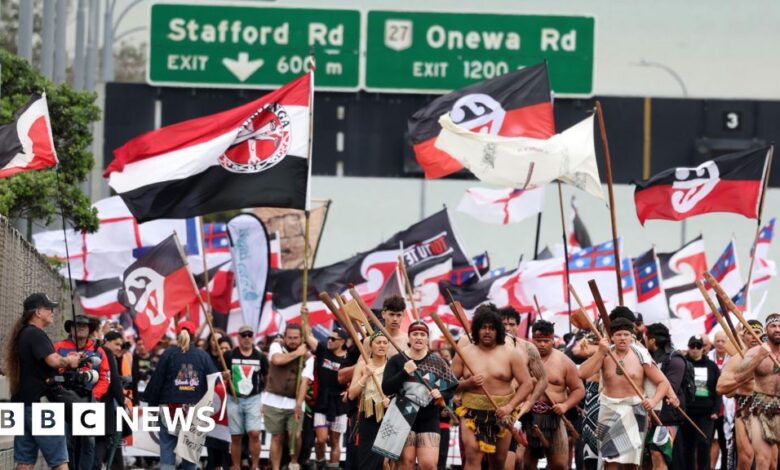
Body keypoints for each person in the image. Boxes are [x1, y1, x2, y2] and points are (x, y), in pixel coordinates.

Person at [578, 317, 669, 470]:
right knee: (609, 458)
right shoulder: (605, 354)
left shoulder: (641, 355)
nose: (622, 338)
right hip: (609, 410)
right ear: (612, 337)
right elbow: (582, 373)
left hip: (634, 410)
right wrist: (600, 352)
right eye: (619, 334)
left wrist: (653, 401)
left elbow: (663, 383)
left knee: (631, 463)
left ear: (632, 336)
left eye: (626, 334)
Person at [453, 305, 533, 470]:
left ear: (498, 331)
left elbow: (527, 384)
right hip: (471, 412)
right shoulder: (464, 352)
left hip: (502, 413)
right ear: (476, 330)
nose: (487, 331)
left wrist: (510, 406)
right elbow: (448, 384)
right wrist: (467, 384)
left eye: (491, 328)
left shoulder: (511, 354)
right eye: (483, 327)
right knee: (473, 455)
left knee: (498, 462)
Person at [6, 293, 81, 470]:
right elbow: (53, 361)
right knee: (59, 462)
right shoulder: (36, 334)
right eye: (49, 308)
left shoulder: (22, 334)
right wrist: (70, 361)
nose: (52, 311)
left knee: (24, 461)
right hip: (41, 407)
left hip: (21, 404)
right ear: (38, 312)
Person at [377, 320, 458, 469]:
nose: (419, 337)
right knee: (406, 462)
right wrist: (404, 372)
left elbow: (452, 387)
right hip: (402, 416)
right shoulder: (396, 360)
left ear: (427, 339)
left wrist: (440, 393)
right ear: (409, 338)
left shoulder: (438, 361)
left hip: (429, 416)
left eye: (422, 334)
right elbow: (386, 388)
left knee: (429, 464)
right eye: (415, 334)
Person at [143, 321, 218, 470]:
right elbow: (214, 381)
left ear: (178, 335)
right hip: (194, 411)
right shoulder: (203, 356)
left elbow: (157, 381)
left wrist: (151, 404)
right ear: (194, 335)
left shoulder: (168, 354)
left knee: (167, 451)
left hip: (170, 409)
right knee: (189, 454)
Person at [524, 320, 585, 470]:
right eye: (538, 341)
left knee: (559, 464)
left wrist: (565, 405)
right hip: (527, 416)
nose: (542, 344)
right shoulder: (522, 358)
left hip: (554, 417)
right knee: (525, 463)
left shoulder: (564, 361)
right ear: (532, 339)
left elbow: (579, 389)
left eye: (546, 341)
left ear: (553, 340)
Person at [55, 314, 110, 470]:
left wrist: (95, 396)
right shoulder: (59, 347)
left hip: (89, 399)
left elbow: (105, 377)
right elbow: (51, 371)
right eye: (76, 325)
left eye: (84, 326)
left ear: (89, 330)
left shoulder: (98, 350)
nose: (80, 328)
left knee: (89, 442)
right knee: (67, 441)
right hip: (65, 399)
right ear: (70, 329)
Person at [499, 306, 548, 470]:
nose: (507, 327)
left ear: (518, 326)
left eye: (511, 324)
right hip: (492, 406)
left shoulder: (528, 348)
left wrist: (528, 403)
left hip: (518, 411)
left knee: (516, 459)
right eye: (503, 323)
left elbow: (542, 379)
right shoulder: (488, 347)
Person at [735, 313, 780, 470]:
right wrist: (759, 357)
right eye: (773, 326)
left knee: (774, 463)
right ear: (766, 330)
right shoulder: (754, 352)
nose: (777, 329)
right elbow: (739, 377)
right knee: (762, 459)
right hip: (761, 407)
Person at [303, 325, 352, 470]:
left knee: (335, 441)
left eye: (333, 339)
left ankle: (333, 467)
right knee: (321, 439)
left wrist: (349, 391)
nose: (329, 340)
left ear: (342, 341)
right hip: (322, 402)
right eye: (328, 337)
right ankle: (320, 462)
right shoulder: (323, 349)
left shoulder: (349, 358)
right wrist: (304, 315)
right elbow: (307, 337)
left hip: (340, 404)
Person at [718, 320, 764, 470]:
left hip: (771, 409)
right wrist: (744, 378)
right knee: (746, 458)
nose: (753, 337)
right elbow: (722, 388)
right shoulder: (736, 359)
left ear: (762, 335)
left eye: (756, 333)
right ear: (743, 336)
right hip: (746, 409)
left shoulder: (772, 356)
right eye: (749, 333)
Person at [263, 324, 308, 470]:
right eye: (290, 338)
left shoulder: (307, 356)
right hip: (273, 400)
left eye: (296, 338)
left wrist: (299, 404)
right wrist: (297, 353)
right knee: (277, 437)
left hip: (294, 402)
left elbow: (305, 381)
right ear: (284, 337)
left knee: (295, 435)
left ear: (301, 338)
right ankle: (275, 467)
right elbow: (277, 360)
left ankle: (293, 462)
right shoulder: (275, 347)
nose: (293, 341)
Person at [225, 325, 269, 470]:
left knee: (254, 433)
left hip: (253, 398)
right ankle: (236, 466)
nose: (247, 338)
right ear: (238, 337)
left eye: (250, 335)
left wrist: (264, 397)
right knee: (236, 436)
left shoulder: (260, 356)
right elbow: (220, 374)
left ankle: (254, 466)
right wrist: (224, 376)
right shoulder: (229, 355)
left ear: (253, 337)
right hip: (234, 398)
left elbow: (267, 376)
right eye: (244, 335)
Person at [645, 323, 688, 470]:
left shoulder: (675, 359)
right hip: (649, 413)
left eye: (646, 338)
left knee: (659, 453)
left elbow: (671, 387)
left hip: (668, 417)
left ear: (652, 340)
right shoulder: (646, 358)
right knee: (649, 457)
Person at [347, 331, 391, 470]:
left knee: (385, 462)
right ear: (371, 346)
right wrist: (365, 376)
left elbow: (400, 392)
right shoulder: (362, 365)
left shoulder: (393, 365)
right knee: (367, 460)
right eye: (378, 342)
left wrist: (391, 400)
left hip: (389, 417)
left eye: (385, 342)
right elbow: (351, 395)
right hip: (368, 415)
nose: (382, 345)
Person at [683, 335, 721, 470]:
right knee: (688, 445)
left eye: (698, 346)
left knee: (704, 443)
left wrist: (716, 410)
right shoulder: (682, 364)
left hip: (706, 413)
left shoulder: (712, 366)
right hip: (686, 412)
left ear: (703, 348)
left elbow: (718, 390)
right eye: (692, 346)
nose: (695, 349)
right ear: (688, 347)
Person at [94, 331, 127, 470]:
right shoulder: (106, 353)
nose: (120, 348)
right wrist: (122, 401)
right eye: (117, 344)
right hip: (103, 407)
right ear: (107, 341)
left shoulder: (97, 351)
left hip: (91, 405)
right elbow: (114, 382)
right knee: (101, 445)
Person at [709, 331, 732, 470]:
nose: (720, 344)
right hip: (712, 406)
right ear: (714, 342)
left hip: (728, 406)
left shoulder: (733, 358)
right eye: (718, 341)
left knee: (725, 442)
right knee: (710, 440)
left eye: (723, 341)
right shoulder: (708, 357)